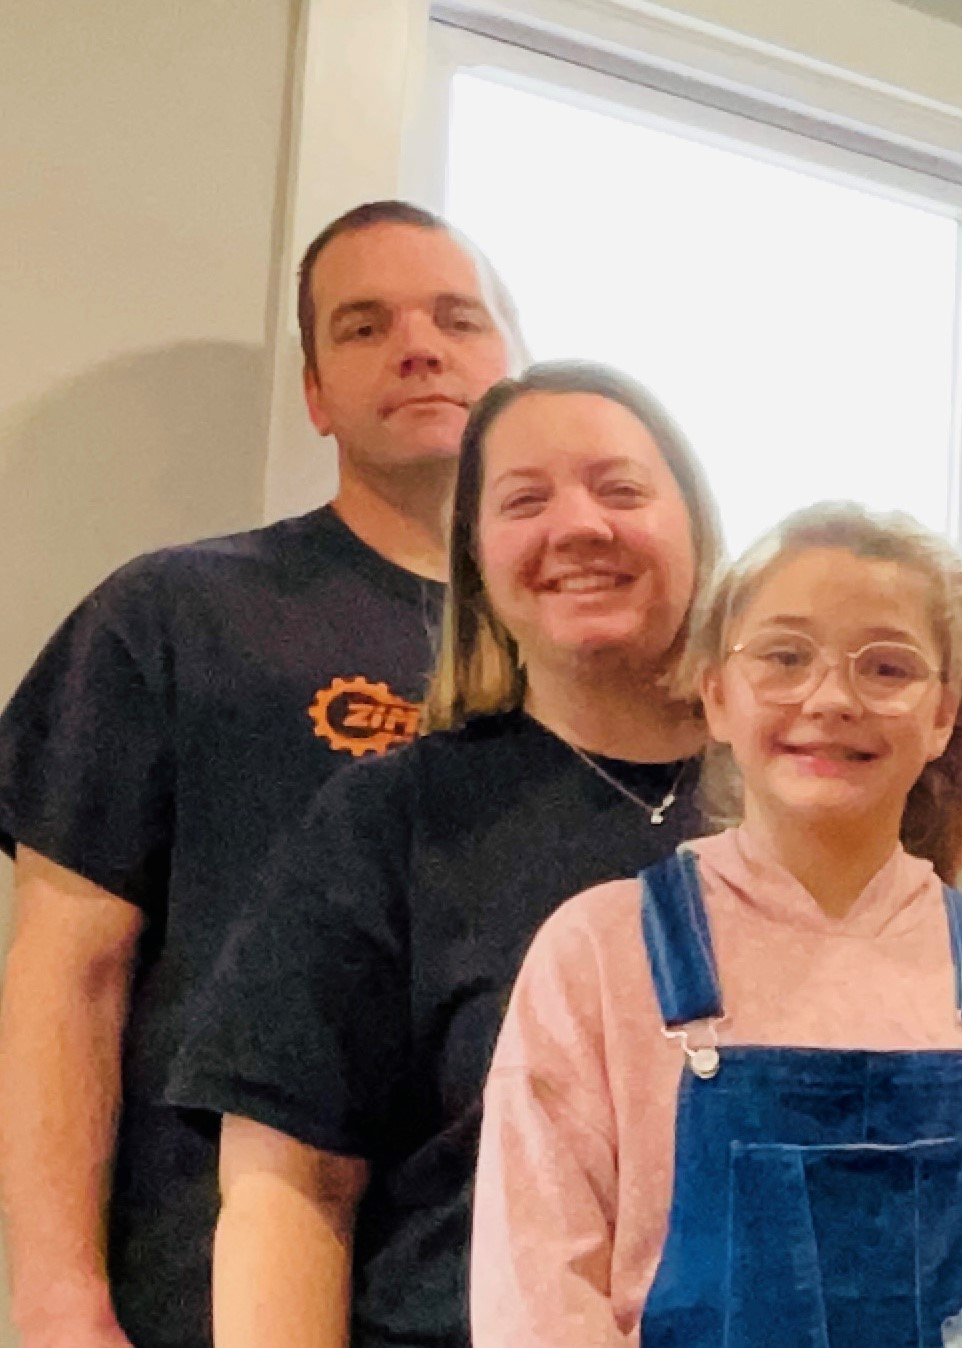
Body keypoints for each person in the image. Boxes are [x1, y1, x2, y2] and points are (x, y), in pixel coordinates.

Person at [0, 200, 516, 1348]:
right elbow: (65, 968)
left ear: (516, 368)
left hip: (514, 1289)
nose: (420, 346)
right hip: (206, 1282)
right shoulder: (177, 615)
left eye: (457, 317)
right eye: (365, 324)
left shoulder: (591, 663)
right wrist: (54, 1299)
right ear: (317, 394)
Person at [471, 501, 962, 1347]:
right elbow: (535, 1305)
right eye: (784, 657)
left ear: (943, 715)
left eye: (888, 668)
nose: (830, 698)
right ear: (715, 694)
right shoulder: (600, 956)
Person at [166, 363, 722, 1348]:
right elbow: (288, 1184)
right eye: (525, 500)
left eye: (621, 488)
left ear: (699, 526)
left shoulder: (807, 810)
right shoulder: (393, 819)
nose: (580, 525)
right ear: (476, 557)